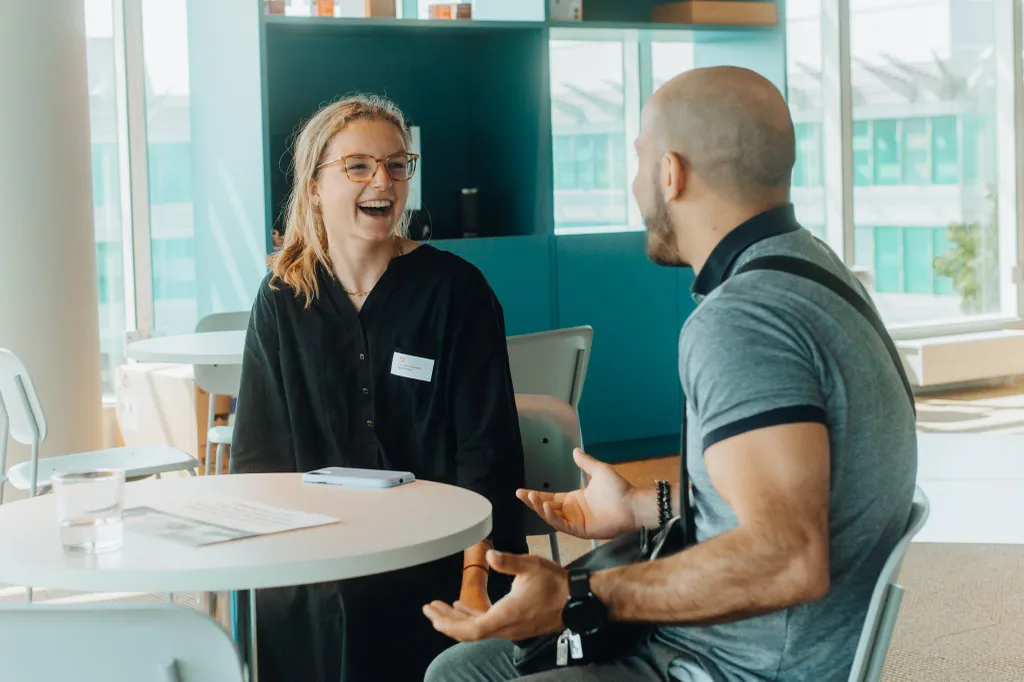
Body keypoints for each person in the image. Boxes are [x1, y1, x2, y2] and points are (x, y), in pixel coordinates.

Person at [422, 66, 918, 681]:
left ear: (670, 173)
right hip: (781, 647)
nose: (636, 183)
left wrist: (582, 597)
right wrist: (640, 507)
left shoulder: (741, 322)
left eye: (639, 160)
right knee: (465, 664)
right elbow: (792, 496)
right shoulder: (817, 273)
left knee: (459, 676)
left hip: (730, 664)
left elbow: (786, 557)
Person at [229, 94, 527, 682]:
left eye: (397, 164)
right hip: (317, 553)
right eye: (359, 165)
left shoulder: (455, 291)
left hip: (435, 554)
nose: (383, 181)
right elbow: (259, 459)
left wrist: (476, 578)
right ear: (314, 185)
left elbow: (486, 450)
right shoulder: (282, 298)